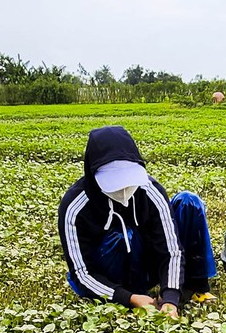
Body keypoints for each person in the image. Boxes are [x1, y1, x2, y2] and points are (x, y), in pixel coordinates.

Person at [59, 125, 216, 317]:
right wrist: (129, 297)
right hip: (109, 271)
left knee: (188, 202)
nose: (124, 189)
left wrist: (170, 298)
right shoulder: (74, 206)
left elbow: (171, 250)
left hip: (144, 264)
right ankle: (129, 291)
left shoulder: (149, 191)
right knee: (120, 235)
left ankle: (194, 286)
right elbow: (82, 273)